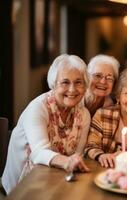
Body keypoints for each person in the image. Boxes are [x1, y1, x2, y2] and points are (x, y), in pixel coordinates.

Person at [2, 54, 91, 194]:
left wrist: (73, 163)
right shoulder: (38, 108)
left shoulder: (84, 114)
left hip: (58, 179)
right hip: (23, 185)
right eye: (65, 82)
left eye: (78, 82)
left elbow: (77, 156)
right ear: (54, 84)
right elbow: (39, 153)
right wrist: (67, 162)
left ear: (85, 86)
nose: (72, 89)